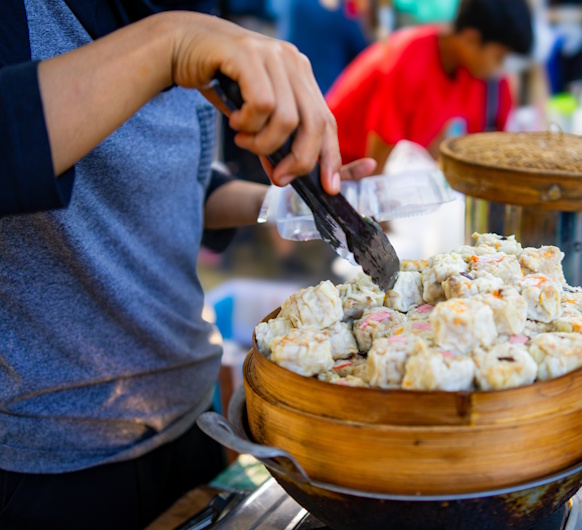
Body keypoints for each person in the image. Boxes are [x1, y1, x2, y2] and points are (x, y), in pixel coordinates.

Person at [0, 1, 374, 528]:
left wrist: (287, 204)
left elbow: (177, 186)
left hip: (191, 418)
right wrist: (170, 43)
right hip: (61, 460)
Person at [326, 0, 534, 171]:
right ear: (471, 39)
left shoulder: (480, 75)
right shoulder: (408, 58)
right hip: (336, 170)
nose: (501, 69)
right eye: (499, 57)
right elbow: (377, 159)